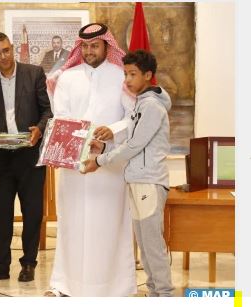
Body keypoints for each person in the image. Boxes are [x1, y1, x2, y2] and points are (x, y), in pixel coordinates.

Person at [45, 23, 136, 297]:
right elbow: (61, 115)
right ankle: (67, 284)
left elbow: (132, 116)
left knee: (108, 225)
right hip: (75, 167)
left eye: (94, 45)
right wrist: (80, 144)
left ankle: (115, 287)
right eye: (84, 46)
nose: (89, 51)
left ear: (107, 46)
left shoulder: (121, 76)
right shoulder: (67, 78)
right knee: (73, 223)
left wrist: (113, 132)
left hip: (109, 164)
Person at [82, 49, 174, 297]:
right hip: (137, 180)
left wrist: (100, 161)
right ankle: (154, 292)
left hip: (149, 181)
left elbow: (134, 146)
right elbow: (132, 142)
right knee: (144, 244)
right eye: (125, 74)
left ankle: (164, 294)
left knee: (152, 245)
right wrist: (103, 147)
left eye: (133, 74)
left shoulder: (152, 106)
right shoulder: (141, 104)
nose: (127, 79)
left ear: (148, 75)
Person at [0, 32, 52, 282]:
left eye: (6, 50)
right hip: (0, 158)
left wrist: (39, 129)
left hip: (29, 155)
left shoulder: (34, 73)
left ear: (12, 49)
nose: (3, 56)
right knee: (0, 214)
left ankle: (28, 263)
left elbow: (47, 112)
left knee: (32, 212)